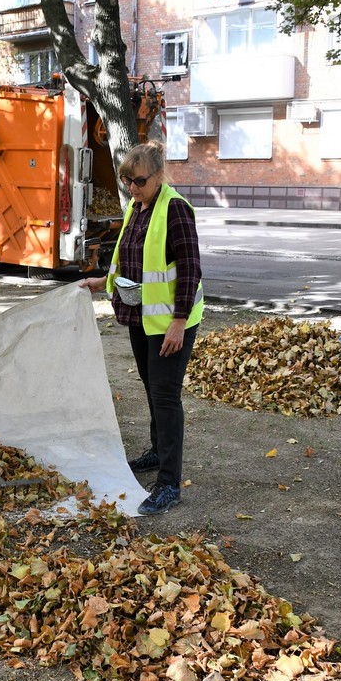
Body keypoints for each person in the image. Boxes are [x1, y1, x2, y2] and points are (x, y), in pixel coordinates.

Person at [79, 140, 204, 515]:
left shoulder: (175, 210)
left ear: (159, 176)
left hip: (171, 323)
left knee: (166, 397)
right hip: (141, 317)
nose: (132, 188)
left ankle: (169, 483)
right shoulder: (139, 206)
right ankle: (156, 450)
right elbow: (129, 257)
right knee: (152, 389)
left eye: (139, 181)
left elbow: (190, 270)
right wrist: (106, 281)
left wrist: (179, 323)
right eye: (127, 182)